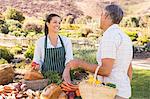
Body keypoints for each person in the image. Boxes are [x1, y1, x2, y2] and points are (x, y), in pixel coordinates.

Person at [64, 4, 133, 99]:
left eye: (101, 15)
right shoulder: (125, 37)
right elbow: (129, 69)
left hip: (111, 94)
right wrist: (123, 86)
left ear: (106, 16)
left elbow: (106, 70)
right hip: (123, 92)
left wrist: (80, 64)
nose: (100, 18)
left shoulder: (110, 36)